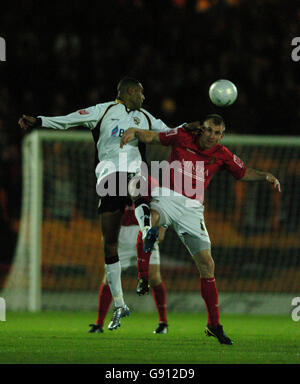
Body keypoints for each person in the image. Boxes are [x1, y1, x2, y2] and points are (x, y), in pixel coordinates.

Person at [18, 77, 197, 330]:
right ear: (131, 92)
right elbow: (70, 119)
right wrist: (39, 120)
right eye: (141, 94)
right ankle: (120, 304)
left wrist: (187, 128)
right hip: (108, 177)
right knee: (109, 246)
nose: (144, 98)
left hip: (133, 173)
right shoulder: (102, 111)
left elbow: (168, 132)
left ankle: (147, 229)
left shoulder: (145, 117)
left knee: (138, 184)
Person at [120, 114, 281, 345]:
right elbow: (154, 137)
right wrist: (135, 132)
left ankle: (214, 325)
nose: (212, 136)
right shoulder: (183, 136)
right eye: (208, 130)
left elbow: (243, 172)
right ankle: (143, 276)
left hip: (193, 210)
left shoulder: (222, 154)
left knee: (207, 264)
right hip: (168, 196)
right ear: (201, 130)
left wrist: (265, 175)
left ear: (222, 135)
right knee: (151, 219)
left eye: (217, 133)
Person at [89, 202, 168, 334]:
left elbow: (162, 203)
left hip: (144, 230)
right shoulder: (114, 183)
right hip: (121, 233)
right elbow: (104, 205)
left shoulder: (149, 183)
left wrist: (162, 228)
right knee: (109, 279)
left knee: (154, 278)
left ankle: (163, 323)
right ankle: (99, 324)